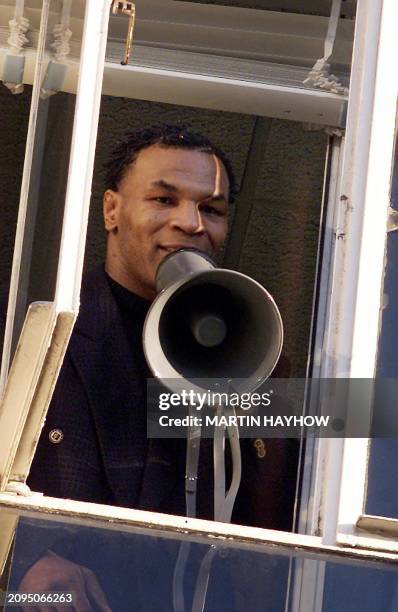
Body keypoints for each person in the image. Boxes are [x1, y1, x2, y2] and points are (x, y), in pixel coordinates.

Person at [12, 125, 298, 610]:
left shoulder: (262, 357)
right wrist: (24, 562)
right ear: (111, 210)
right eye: (164, 200)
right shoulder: (27, 332)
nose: (191, 223)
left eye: (211, 209)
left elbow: (303, 512)